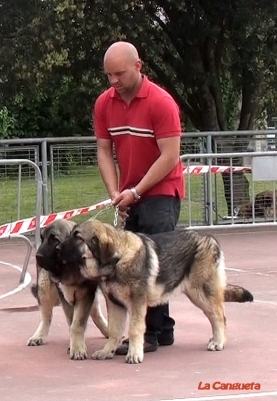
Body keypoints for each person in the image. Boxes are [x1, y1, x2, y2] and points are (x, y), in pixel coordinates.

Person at [93, 41, 185, 354]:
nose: (113, 81)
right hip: (130, 193)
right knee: (130, 264)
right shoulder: (105, 103)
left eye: (119, 73)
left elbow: (170, 156)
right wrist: (115, 193)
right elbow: (104, 151)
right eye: (108, 75)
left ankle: (148, 333)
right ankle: (163, 329)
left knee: (151, 263)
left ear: (138, 66)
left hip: (161, 190)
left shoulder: (161, 103)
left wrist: (136, 190)